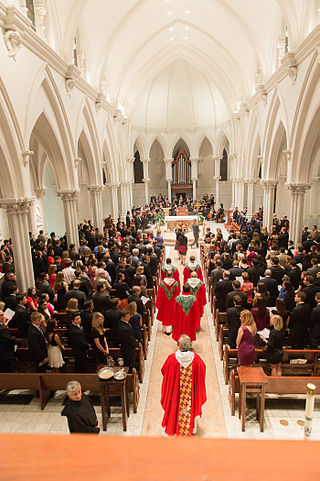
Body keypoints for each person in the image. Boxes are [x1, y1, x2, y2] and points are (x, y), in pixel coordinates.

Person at [160, 334, 206, 436]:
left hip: (175, 391)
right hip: (190, 393)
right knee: (190, 405)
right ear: (190, 345)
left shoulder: (171, 358)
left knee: (174, 404)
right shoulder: (197, 360)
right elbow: (203, 370)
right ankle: (191, 428)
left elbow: (164, 371)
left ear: (179, 346)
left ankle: (173, 426)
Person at [156, 270, 180, 334]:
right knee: (172, 313)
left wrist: (159, 302)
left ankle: (166, 328)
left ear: (166, 275)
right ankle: (171, 325)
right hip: (173, 301)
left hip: (165, 301)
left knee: (166, 314)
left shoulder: (162, 283)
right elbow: (177, 293)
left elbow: (159, 294)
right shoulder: (175, 283)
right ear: (172, 275)